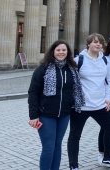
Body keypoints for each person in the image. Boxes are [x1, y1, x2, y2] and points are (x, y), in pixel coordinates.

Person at [28, 40, 85, 170]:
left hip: (64, 115)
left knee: (57, 145)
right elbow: (33, 92)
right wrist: (33, 116)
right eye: (58, 50)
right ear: (53, 51)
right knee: (48, 147)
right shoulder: (43, 69)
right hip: (46, 115)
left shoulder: (71, 69)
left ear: (68, 52)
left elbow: (75, 90)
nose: (61, 52)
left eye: (64, 50)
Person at [67, 33, 110, 169]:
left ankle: (107, 158)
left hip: (100, 105)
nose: (98, 44)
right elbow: (71, 81)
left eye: (100, 42)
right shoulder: (79, 60)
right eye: (95, 42)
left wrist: (108, 98)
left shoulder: (105, 61)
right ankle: (74, 165)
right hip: (81, 107)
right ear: (88, 44)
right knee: (75, 136)